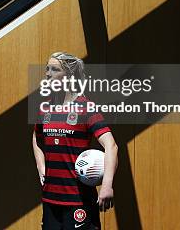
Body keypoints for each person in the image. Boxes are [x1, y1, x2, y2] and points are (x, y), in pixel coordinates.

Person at [32, 52, 118, 230]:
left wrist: (107, 185)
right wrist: (41, 167)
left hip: (79, 201)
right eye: (47, 68)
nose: (48, 73)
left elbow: (111, 145)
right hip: (50, 200)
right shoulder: (44, 108)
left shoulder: (86, 108)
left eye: (54, 69)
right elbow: (36, 138)